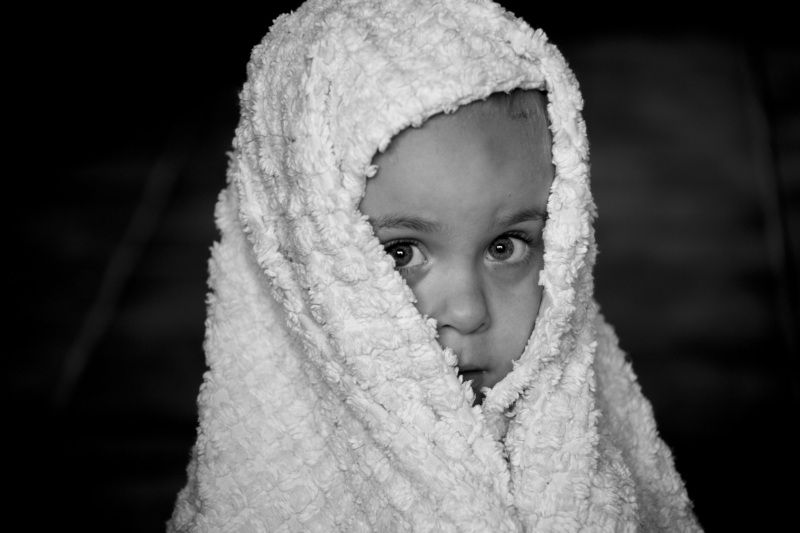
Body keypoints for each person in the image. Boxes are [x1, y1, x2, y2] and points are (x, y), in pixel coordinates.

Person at [169, 0, 701, 531]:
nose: (467, 312)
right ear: (306, 259)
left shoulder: (594, 467)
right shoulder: (257, 509)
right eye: (400, 253)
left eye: (505, 246)